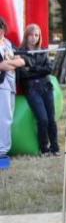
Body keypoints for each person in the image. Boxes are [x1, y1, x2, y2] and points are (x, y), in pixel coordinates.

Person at [17, 23, 60, 156]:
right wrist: (37, 70)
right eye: (31, 35)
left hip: (46, 87)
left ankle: (55, 147)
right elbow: (23, 74)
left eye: (36, 35)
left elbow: (49, 69)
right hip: (31, 89)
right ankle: (44, 148)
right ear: (26, 36)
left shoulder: (43, 51)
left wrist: (32, 68)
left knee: (51, 120)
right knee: (43, 119)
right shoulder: (20, 53)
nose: (33, 38)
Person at [0, 16, 25, 166]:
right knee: (3, 118)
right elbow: (2, 66)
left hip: (10, 84)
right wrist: (11, 63)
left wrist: (9, 63)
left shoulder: (8, 43)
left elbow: (21, 61)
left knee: (7, 117)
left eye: (2, 28)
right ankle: (2, 151)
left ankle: (3, 149)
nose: (0, 32)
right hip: (2, 84)